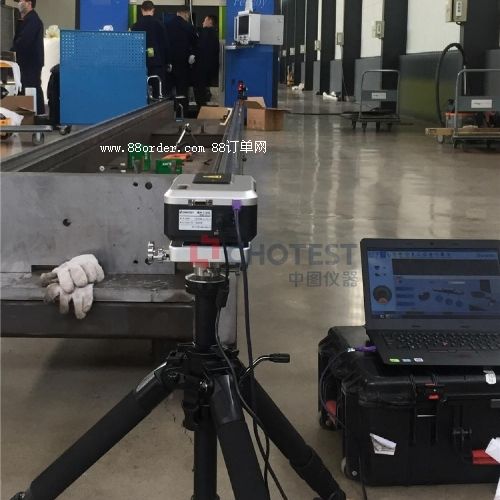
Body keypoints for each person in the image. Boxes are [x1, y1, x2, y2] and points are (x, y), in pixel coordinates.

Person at [132, 1, 170, 99]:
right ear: (153, 10)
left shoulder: (136, 26)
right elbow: (166, 44)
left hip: (141, 63)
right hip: (157, 63)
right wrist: (168, 62)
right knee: (158, 91)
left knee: (141, 93)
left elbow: (133, 46)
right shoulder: (160, 24)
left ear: (141, 10)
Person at [12, 0, 45, 114]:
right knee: (31, 88)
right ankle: (36, 115)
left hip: (30, 63)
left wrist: (13, 51)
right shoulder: (27, 19)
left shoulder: (33, 20)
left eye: (22, 0)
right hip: (29, 62)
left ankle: (38, 116)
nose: (19, 3)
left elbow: (23, 41)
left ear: (29, 3)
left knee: (32, 88)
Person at [166, 7, 197, 102]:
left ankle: (170, 108)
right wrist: (192, 54)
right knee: (182, 91)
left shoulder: (167, 25)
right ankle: (182, 109)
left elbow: (164, 43)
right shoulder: (188, 26)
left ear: (177, 13)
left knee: (168, 91)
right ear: (186, 14)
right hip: (183, 63)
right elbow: (195, 43)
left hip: (169, 64)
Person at [194, 15, 219, 108]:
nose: (203, 22)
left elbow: (200, 48)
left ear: (209, 21)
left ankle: (201, 110)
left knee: (199, 92)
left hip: (202, 67)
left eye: (204, 20)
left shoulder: (205, 32)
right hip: (210, 68)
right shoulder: (214, 34)